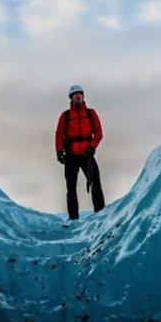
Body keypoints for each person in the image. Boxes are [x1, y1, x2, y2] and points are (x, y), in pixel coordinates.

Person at [55, 84, 106, 221]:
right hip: (71, 155)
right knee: (71, 187)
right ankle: (73, 218)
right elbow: (59, 134)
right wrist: (59, 151)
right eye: (75, 94)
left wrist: (92, 147)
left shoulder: (91, 113)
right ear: (71, 98)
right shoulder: (65, 116)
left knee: (95, 183)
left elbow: (99, 133)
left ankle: (100, 215)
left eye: (80, 93)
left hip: (87, 155)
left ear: (83, 96)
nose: (78, 96)